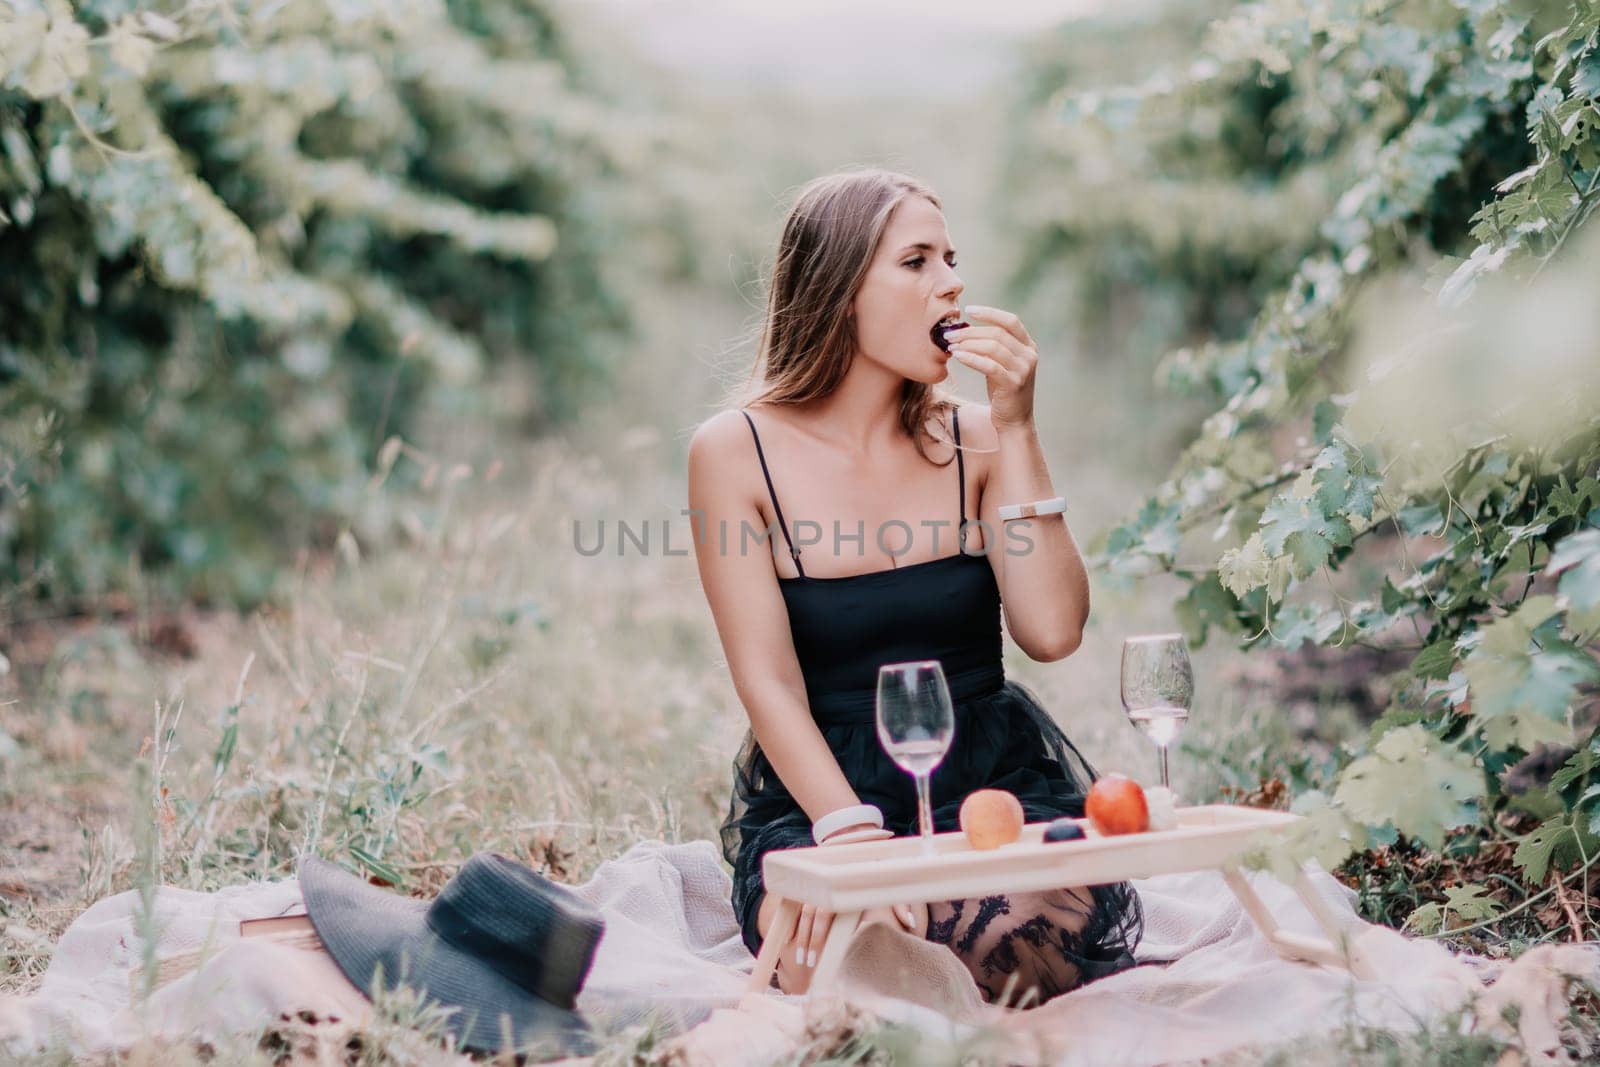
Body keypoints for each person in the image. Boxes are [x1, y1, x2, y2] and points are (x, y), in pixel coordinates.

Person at [686, 166, 1143, 1001]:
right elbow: (768, 680)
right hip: (830, 788)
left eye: (952, 257)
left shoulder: (974, 438)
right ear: (839, 291)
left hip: (987, 783)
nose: (953, 282)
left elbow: (1051, 629)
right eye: (917, 261)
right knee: (838, 946)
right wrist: (847, 834)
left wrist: (1016, 425)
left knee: (1027, 927)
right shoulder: (734, 450)